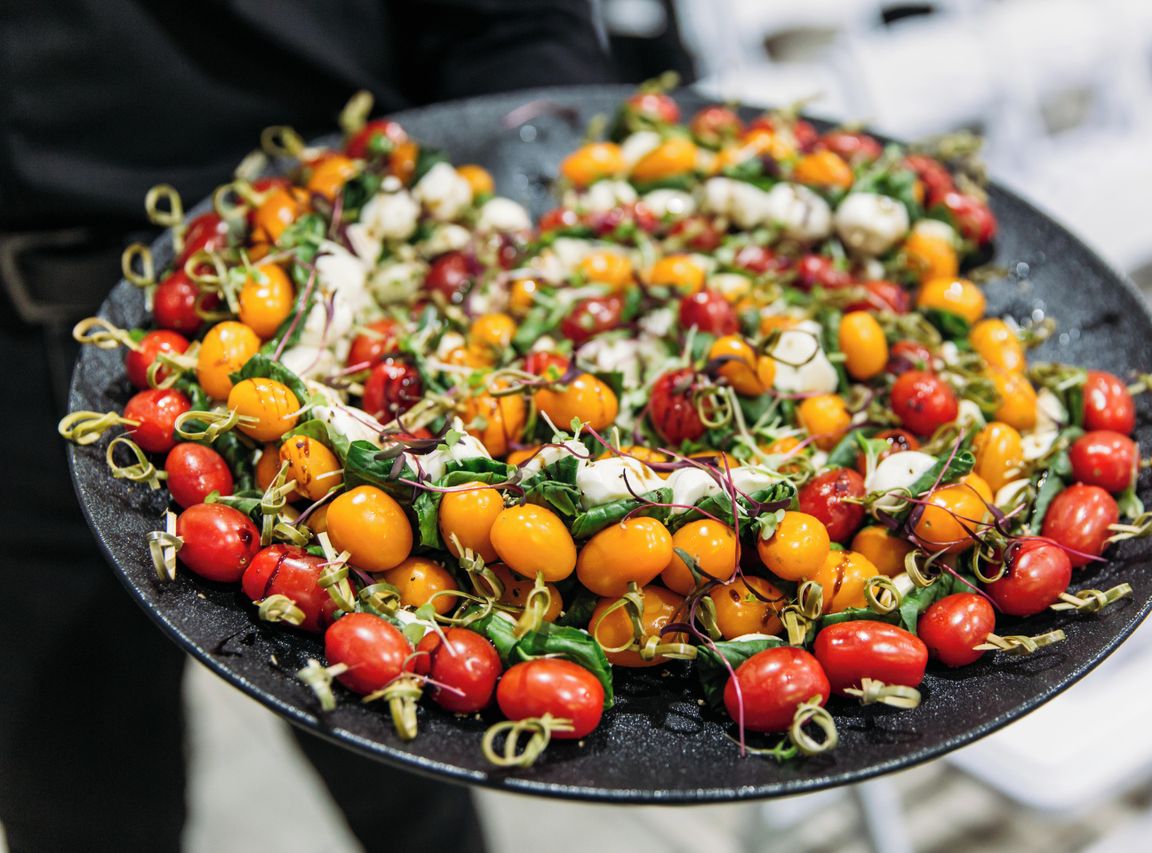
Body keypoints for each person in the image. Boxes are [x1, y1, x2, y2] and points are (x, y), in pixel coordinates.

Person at [0, 2, 690, 850]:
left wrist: (532, 190)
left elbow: (512, 21)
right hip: (23, 350)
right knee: (84, 799)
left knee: (416, 772)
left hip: (364, 259)